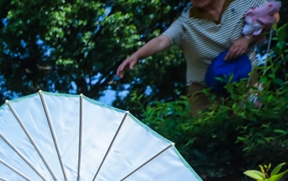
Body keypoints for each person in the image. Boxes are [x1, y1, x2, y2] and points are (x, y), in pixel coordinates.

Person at [116, 0, 274, 116]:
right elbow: (162, 40)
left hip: (243, 78)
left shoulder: (243, 3)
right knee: (208, 137)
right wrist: (137, 56)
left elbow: (273, 15)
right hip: (203, 90)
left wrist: (247, 39)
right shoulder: (186, 22)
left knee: (249, 122)